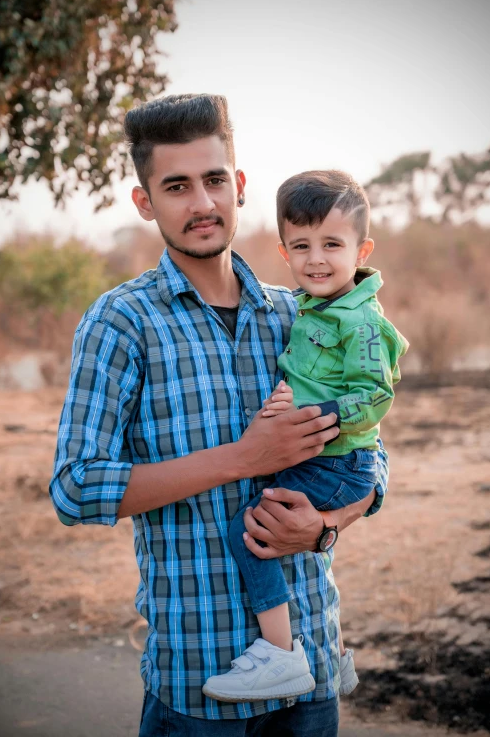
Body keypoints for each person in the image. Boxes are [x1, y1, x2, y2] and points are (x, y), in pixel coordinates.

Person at [50, 94, 389, 737]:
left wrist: (324, 526)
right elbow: (75, 488)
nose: (201, 204)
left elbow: (375, 460)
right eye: (176, 186)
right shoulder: (123, 322)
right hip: (199, 692)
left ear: (237, 186)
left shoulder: (302, 315)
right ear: (146, 202)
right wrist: (244, 458)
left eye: (213, 181)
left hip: (313, 674)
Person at [203, 170, 408, 704]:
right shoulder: (308, 306)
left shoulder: (358, 320)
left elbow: (376, 397)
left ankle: (281, 654)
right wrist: (284, 397)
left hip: (338, 461)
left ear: (360, 249)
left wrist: (308, 416)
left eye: (331, 245)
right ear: (284, 251)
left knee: (250, 532)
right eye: (302, 245)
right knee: (305, 547)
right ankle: (334, 654)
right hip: (330, 457)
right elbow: (308, 373)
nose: (316, 258)